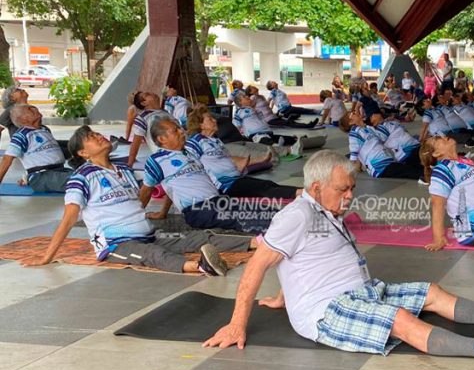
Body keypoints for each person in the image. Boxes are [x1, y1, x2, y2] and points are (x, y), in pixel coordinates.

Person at [202, 150, 474, 364]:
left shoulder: (325, 207)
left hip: (362, 291)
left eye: (352, 188)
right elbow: (259, 264)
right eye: (343, 189)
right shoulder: (297, 215)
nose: (350, 195)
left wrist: (283, 295)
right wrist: (236, 325)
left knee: (432, 291)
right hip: (328, 310)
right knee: (398, 318)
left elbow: (296, 260)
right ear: (317, 187)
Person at [23, 125, 253, 276]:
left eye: (96, 133)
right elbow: (70, 218)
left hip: (150, 235)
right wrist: (47, 257)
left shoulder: (123, 170)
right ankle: (201, 267)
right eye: (92, 138)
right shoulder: (81, 177)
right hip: (116, 244)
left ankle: (259, 243)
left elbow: (152, 193)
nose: (99, 136)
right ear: (83, 153)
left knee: (199, 238)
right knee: (154, 256)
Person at [142, 118, 275, 233]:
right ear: (161, 139)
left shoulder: (189, 152)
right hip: (198, 209)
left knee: (269, 212)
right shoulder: (156, 160)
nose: (182, 131)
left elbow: (172, 187)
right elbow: (146, 191)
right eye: (175, 130)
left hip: (219, 201)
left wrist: (163, 212)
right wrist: (136, 219)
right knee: (252, 220)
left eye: (180, 128)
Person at [186, 112, 301, 199]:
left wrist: (259, 160)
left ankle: (302, 192)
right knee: (263, 188)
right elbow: (191, 164)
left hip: (235, 178)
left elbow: (228, 159)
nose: (215, 120)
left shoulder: (215, 140)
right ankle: (300, 193)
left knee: (268, 183)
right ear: (201, 125)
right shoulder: (195, 142)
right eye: (210, 119)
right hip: (224, 186)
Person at [0, 104, 72, 192]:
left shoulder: (44, 130)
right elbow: (7, 159)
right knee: (78, 182)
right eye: (29, 109)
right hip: (42, 176)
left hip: (61, 170)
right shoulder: (21, 135)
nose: (33, 108)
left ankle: (27, 178)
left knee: (88, 176)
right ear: (23, 119)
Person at [347, 111, 422, 180]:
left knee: (415, 166)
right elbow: (355, 152)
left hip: (389, 161)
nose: (356, 112)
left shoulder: (370, 128)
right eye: (353, 114)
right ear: (351, 122)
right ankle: (427, 177)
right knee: (410, 170)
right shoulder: (355, 133)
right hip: (381, 166)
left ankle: (427, 173)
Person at [233, 95, 306, 155]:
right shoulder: (239, 112)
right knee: (266, 141)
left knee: (285, 138)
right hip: (256, 135)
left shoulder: (255, 109)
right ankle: (286, 150)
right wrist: (241, 136)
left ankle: (296, 141)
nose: (247, 97)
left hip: (268, 132)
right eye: (244, 97)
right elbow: (236, 124)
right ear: (240, 102)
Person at [125, 91, 174, 168]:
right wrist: (130, 164)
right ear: (144, 103)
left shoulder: (166, 113)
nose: (152, 93)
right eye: (147, 95)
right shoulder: (143, 118)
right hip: (167, 157)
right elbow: (136, 143)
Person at [249, 86, 317, 129]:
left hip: (273, 116)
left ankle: (306, 124)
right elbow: (251, 108)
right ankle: (308, 125)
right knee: (288, 123)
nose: (254, 87)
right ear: (250, 92)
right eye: (252, 88)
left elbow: (268, 104)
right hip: (268, 119)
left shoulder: (261, 96)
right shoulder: (253, 97)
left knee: (289, 121)